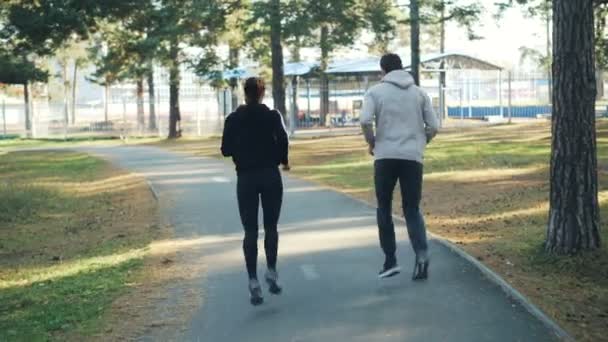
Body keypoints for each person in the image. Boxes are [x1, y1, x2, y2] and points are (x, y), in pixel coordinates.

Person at [360, 53, 439, 281]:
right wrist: (421, 142)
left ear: (383, 71)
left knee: (384, 207)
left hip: (385, 156)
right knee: (412, 208)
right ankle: (421, 255)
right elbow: (433, 125)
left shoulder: (375, 92)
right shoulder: (419, 93)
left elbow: (365, 120)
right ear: (401, 68)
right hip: (412, 157)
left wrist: (372, 141)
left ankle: (390, 260)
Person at [221, 77, 290, 305]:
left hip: (246, 178)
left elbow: (225, 149)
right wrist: (282, 159)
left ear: (245, 92)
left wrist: (242, 151)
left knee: (250, 231)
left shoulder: (233, 119)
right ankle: (271, 270)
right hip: (270, 175)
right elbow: (283, 141)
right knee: (271, 227)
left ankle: (253, 280)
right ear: (262, 93)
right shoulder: (272, 116)